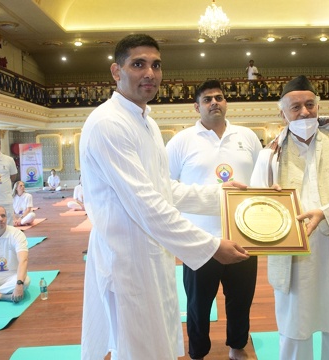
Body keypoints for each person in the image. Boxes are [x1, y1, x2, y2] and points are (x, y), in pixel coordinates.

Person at [78, 34, 249, 359]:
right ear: (116, 71)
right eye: (138, 64)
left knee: (161, 344)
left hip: (152, 255)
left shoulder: (146, 123)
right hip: (126, 257)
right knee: (139, 348)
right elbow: (146, 204)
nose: (150, 73)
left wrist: (220, 196)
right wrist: (211, 246)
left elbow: (163, 189)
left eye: (156, 65)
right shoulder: (108, 124)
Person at [250, 75, 329, 360]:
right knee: (294, 327)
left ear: (318, 106)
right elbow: (257, 202)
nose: (304, 112)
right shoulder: (270, 155)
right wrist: (269, 200)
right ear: (282, 113)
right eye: (295, 107)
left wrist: (325, 213)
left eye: (310, 104)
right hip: (292, 254)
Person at [166, 79, 261, 360]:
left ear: (226, 102)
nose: (214, 103)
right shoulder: (181, 141)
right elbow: (165, 186)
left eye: (219, 97)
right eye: (207, 99)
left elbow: (261, 182)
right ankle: (197, 352)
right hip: (199, 241)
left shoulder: (247, 137)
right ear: (196, 106)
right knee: (197, 305)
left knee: (241, 300)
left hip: (244, 235)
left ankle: (236, 346)